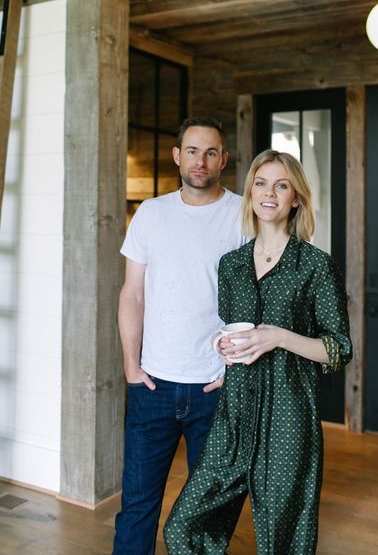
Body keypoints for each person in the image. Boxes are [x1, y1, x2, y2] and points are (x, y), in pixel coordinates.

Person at [164, 149, 352, 555]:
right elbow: (233, 331)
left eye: (281, 185)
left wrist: (280, 337)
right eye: (261, 184)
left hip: (289, 421)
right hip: (233, 416)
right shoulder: (230, 265)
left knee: (281, 542)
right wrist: (221, 345)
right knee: (184, 529)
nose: (270, 193)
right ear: (250, 194)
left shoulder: (316, 266)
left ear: (295, 198)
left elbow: (338, 350)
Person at [112, 117, 245, 555]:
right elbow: (132, 293)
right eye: (192, 151)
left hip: (215, 387)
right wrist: (132, 366)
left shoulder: (243, 214)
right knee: (137, 506)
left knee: (207, 512)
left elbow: (258, 301)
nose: (201, 161)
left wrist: (235, 368)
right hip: (153, 385)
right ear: (177, 156)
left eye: (210, 152)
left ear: (223, 159)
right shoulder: (151, 214)